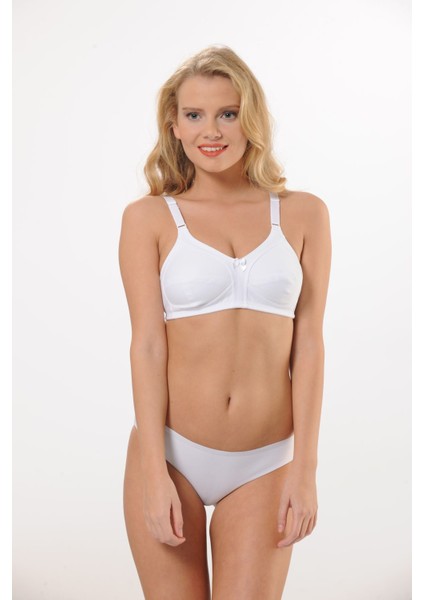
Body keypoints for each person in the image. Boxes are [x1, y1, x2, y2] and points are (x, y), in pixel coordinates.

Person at [119, 44, 332, 600]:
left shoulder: (304, 213)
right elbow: (147, 346)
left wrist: (305, 469)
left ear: (251, 119)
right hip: (171, 454)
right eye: (194, 114)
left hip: (266, 461)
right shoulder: (148, 218)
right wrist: (153, 473)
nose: (210, 131)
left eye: (228, 113)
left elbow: (309, 344)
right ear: (174, 125)